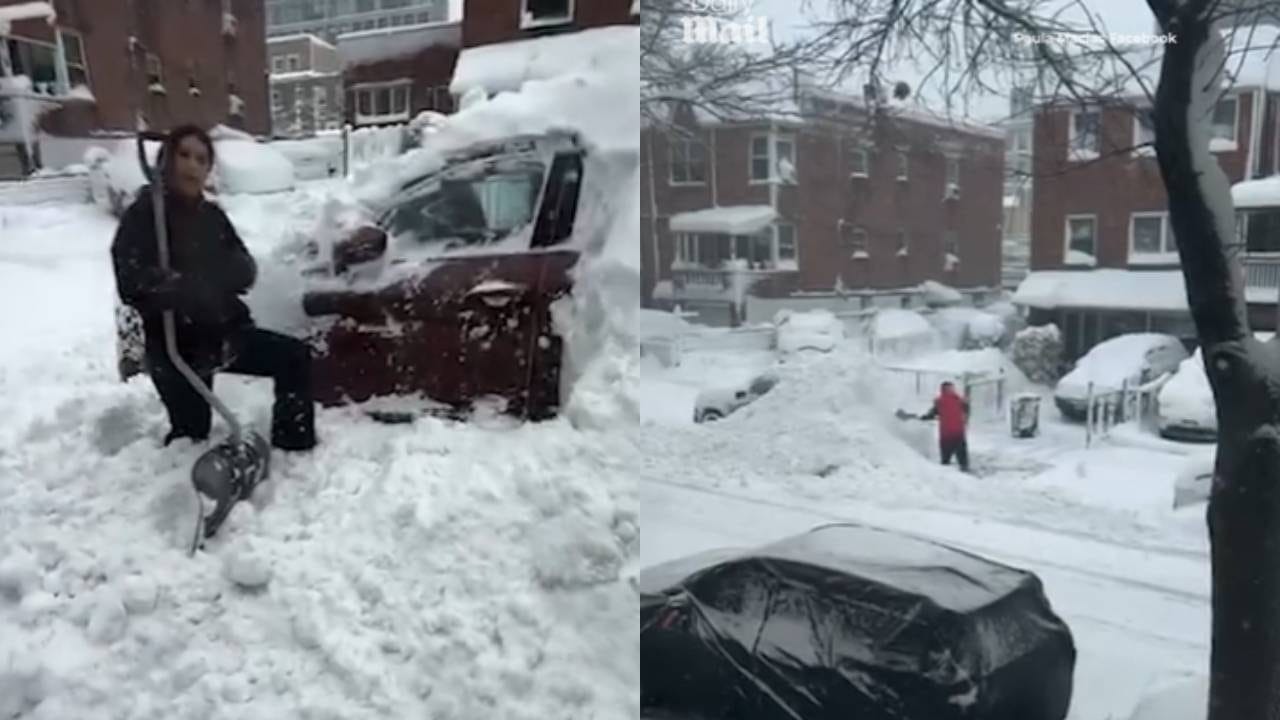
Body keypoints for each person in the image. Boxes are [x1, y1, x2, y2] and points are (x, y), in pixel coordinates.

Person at [111, 124, 317, 452]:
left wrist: (224, 274)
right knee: (191, 437)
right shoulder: (144, 215)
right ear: (166, 161)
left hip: (224, 335)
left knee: (294, 357)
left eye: (202, 159)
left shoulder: (212, 216)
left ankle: (292, 446)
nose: (193, 165)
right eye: (184, 155)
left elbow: (245, 268)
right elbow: (130, 279)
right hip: (176, 349)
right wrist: (174, 287)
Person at [919, 381, 970, 473]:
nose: (952, 390)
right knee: (961, 457)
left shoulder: (940, 401)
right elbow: (966, 410)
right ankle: (963, 469)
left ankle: (946, 472)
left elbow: (931, 414)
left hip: (946, 434)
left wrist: (923, 418)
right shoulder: (958, 400)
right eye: (951, 388)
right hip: (957, 432)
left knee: (946, 459)